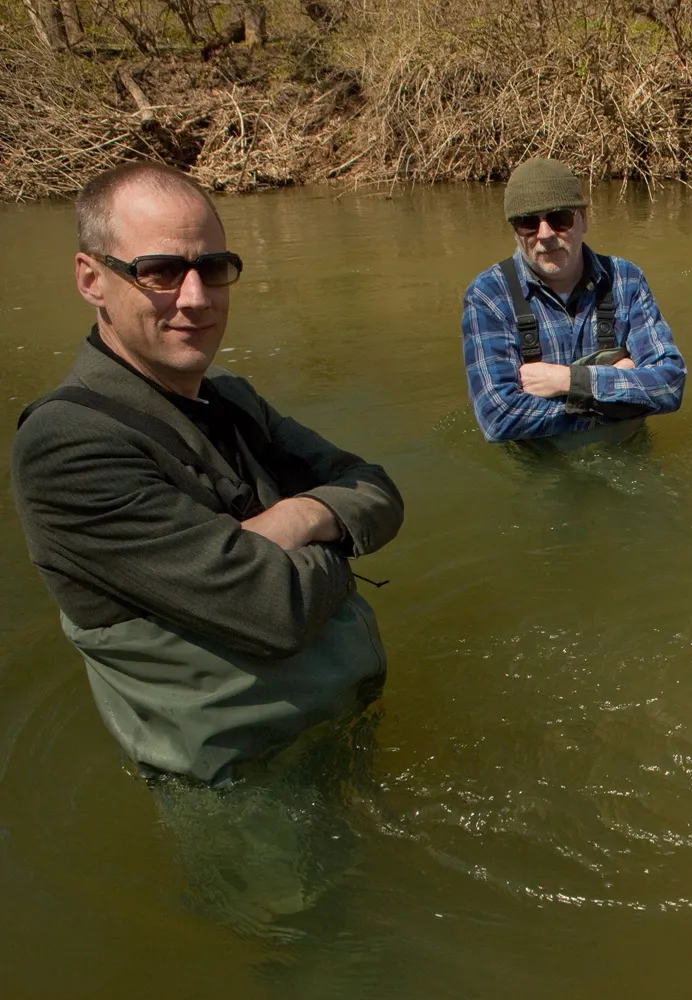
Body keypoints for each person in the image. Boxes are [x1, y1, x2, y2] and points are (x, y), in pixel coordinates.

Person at [10, 161, 404, 787]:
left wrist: (298, 516)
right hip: (247, 786)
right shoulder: (67, 446)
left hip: (337, 722)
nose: (195, 298)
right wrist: (334, 541)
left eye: (213, 269)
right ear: (92, 279)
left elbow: (377, 489)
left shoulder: (231, 397)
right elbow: (276, 610)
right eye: (159, 271)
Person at [461, 156, 686, 447]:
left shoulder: (626, 280)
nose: (544, 234)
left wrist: (567, 381)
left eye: (559, 218)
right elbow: (498, 417)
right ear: (515, 231)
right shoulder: (488, 294)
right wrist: (617, 389)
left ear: (583, 218)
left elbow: (670, 384)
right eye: (528, 223)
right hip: (540, 470)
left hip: (627, 452)